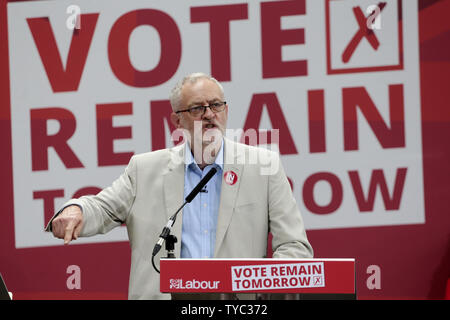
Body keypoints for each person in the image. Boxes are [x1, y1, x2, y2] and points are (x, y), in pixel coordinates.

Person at [46, 72, 313, 300]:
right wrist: (76, 209)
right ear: (177, 121)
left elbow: (295, 247)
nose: (210, 114)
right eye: (197, 108)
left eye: (216, 105)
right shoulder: (145, 169)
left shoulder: (263, 167)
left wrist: (263, 293)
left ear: (226, 110)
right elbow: (102, 208)